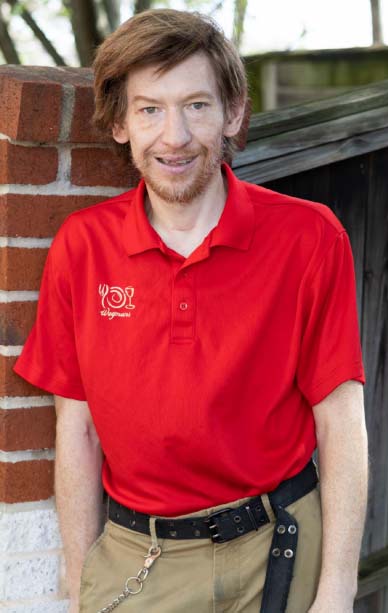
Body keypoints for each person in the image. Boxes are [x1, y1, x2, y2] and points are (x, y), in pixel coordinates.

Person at [14, 9, 368, 613]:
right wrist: (79, 579)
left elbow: (340, 422)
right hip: (141, 556)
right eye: (150, 108)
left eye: (196, 106)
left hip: (280, 544)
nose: (173, 136)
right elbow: (77, 429)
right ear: (121, 123)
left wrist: (336, 588)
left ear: (232, 113)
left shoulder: (310, 237)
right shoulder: (83, 245)